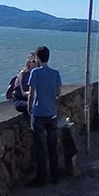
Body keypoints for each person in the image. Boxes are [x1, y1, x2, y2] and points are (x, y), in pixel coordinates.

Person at [26, 46, 62, 186]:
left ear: (38, 58)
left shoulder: (35, 72)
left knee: (40, 148)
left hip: (39, 113)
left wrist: (29, 107)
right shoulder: (55, 73)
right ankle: (55, 177)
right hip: (52, 114)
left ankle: (42, 179)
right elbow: (58, 93)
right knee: (52, 146)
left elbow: (31, 92)